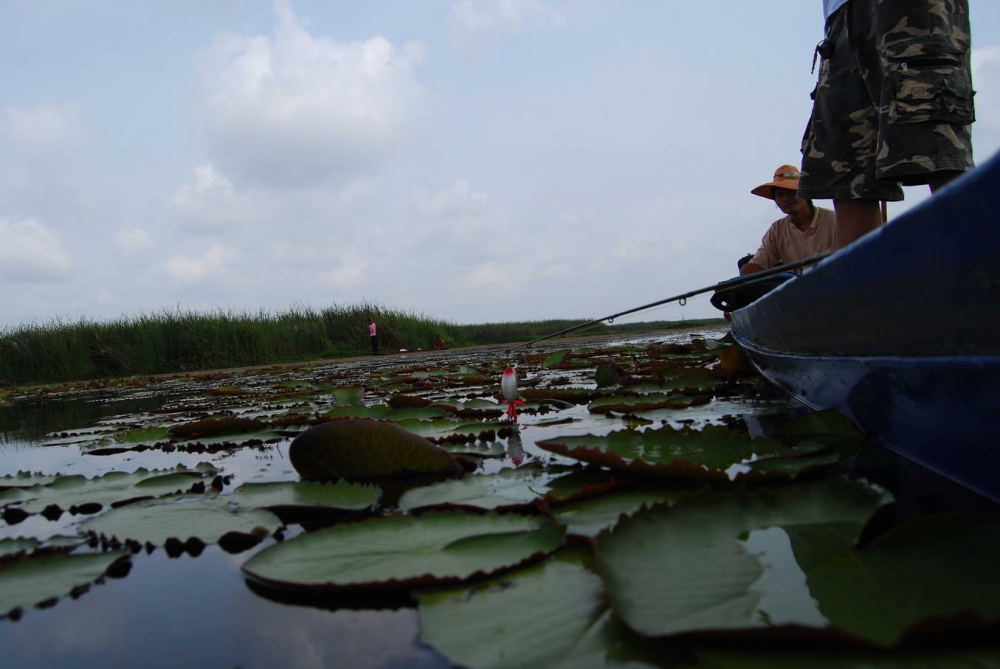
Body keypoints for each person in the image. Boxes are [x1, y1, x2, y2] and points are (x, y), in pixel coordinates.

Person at [799, 0, 975, 248]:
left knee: (939, 148)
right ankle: (867, 285)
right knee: (848, 178)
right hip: (838, 22)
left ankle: (978, 275)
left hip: (904, 10)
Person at [740, 164, 838, 275]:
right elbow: (759, 263)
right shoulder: (777, 230)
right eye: (780, 195)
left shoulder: (834, 220)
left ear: (804, 192)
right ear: (775, 201)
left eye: (792, 191)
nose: (786, 198)